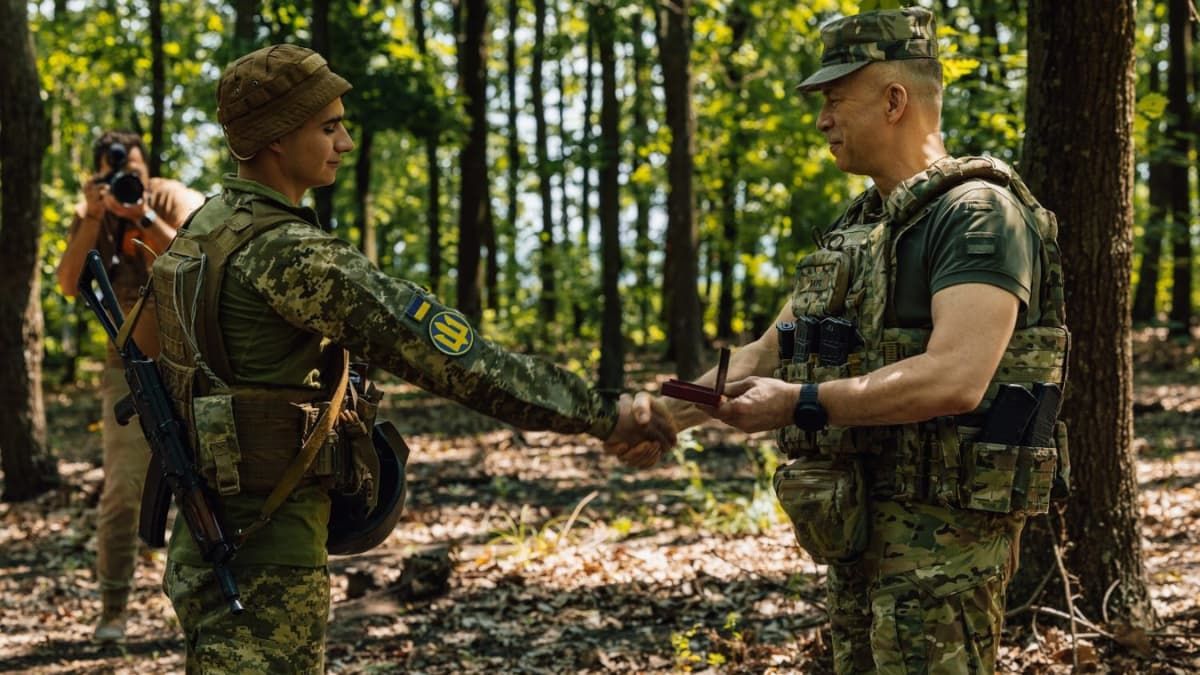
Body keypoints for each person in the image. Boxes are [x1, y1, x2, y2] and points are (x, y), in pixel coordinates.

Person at [151, 43, 673, 673]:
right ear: (275, 140)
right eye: (329, 126)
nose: (345, 141)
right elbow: (457, 360)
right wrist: (604, 413)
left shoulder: (206, 227)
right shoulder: (291, 255)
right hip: (266, 550)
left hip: (208, 537)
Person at [622, 7, 1070, 673]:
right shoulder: (860, 230)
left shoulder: (978, 215)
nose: (822, 120)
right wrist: (666, 413)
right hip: (860, 529)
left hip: (941, 546)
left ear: (895, 100)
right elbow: (767, 351)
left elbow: (957, 377)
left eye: (835, 100)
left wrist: (801, 402)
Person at [56, 130, 204, 642]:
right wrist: (94, 215)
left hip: (193, 365)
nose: (125, 179)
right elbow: (68, 283)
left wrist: (140, 212)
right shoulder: (91, 215)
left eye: (132, 168)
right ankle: (113, 609)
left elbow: (195, 256)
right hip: (127, 369)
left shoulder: (170, 196)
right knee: (121, 493)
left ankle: (205, 605)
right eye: (114, 172)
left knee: (203, 483)